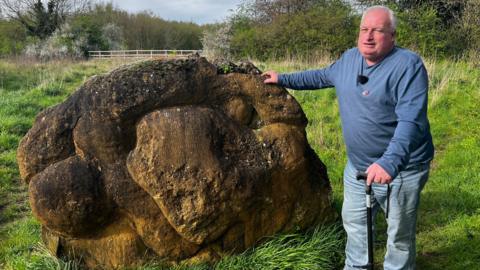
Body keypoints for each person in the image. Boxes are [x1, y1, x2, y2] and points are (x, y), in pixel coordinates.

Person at [262, 5, 434, 270]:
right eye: (364, 29)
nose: (368, 36)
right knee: (356, 228)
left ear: (393, 35)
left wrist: (389, 163)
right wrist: (282, 77)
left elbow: (411, 120)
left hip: (402, 170)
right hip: (358, 168)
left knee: (399, 236)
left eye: (377, 30)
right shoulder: (349, 59)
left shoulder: (407, 66)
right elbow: (320, 75)